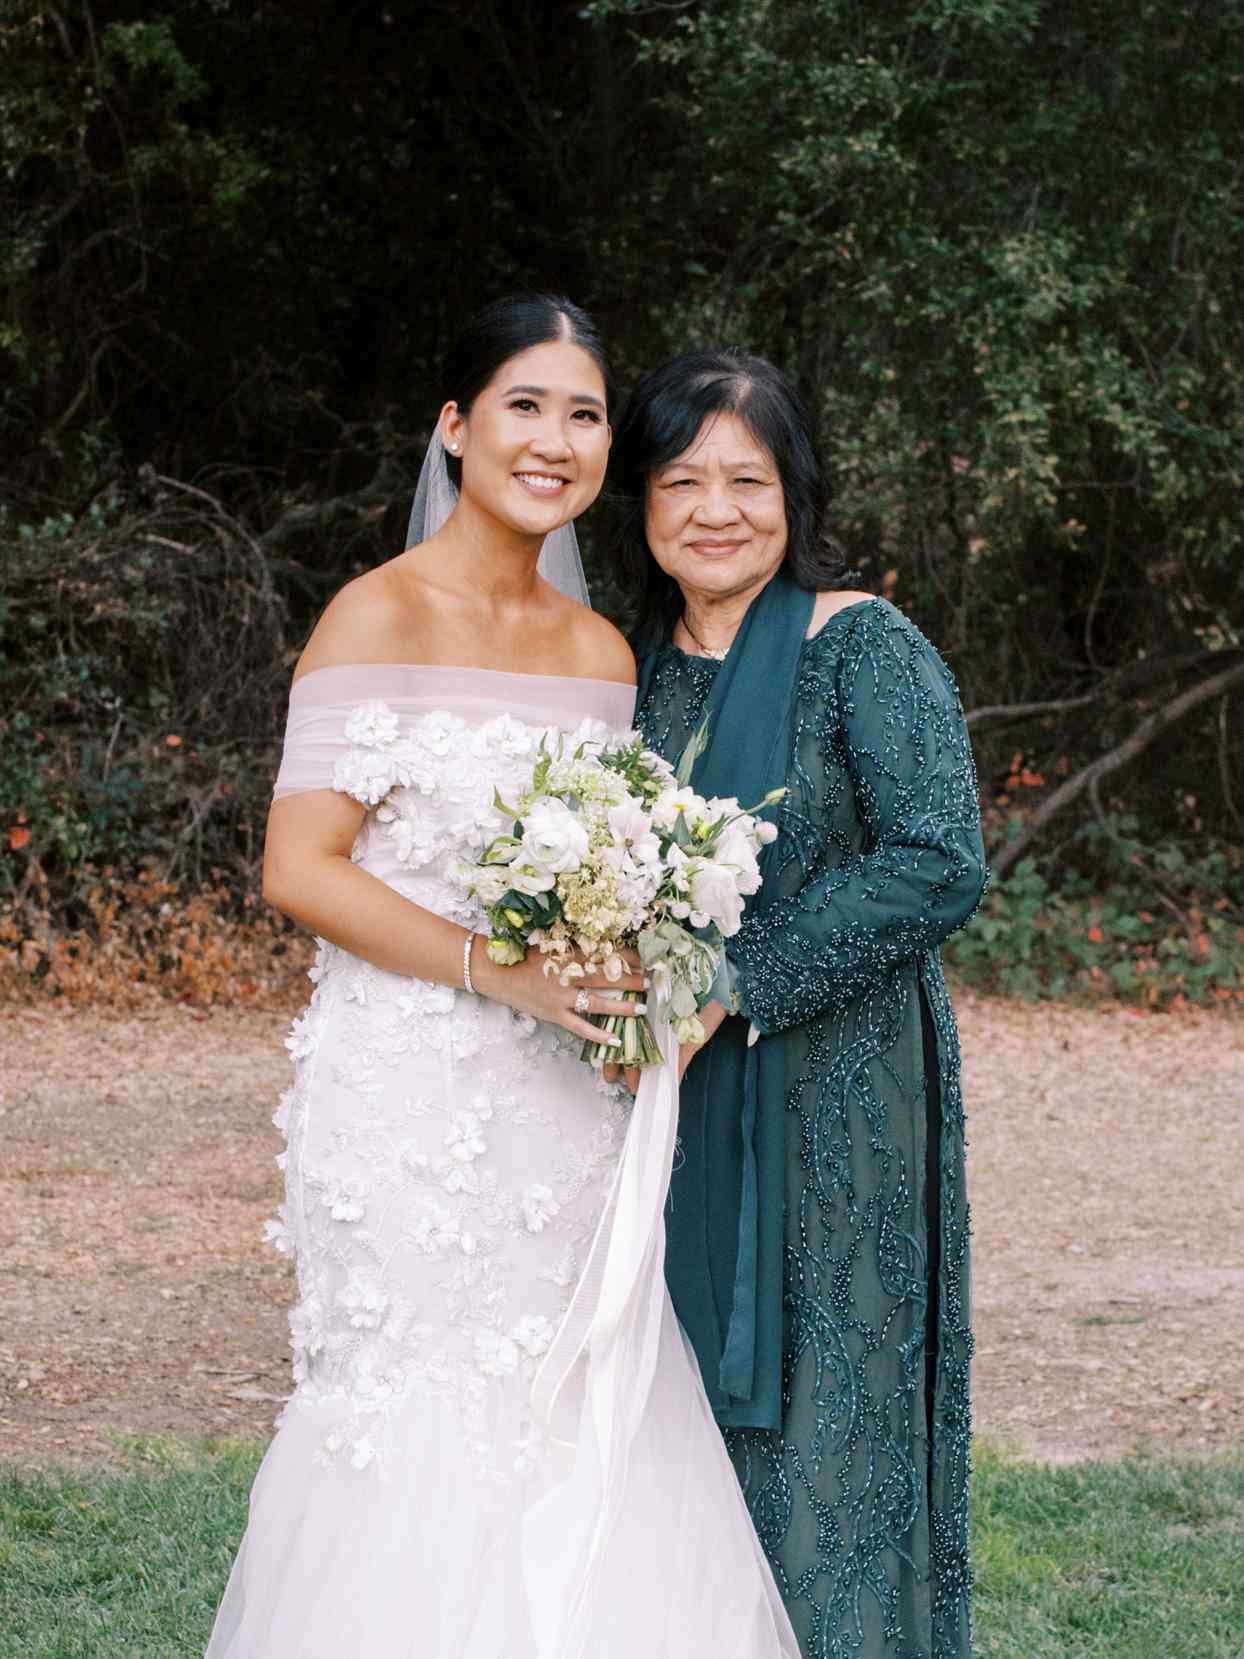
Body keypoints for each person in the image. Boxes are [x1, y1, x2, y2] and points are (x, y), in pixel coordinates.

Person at [206, 301, 798, 1658]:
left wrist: (613, 958)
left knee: (575, 1394)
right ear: (457, 427)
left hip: (561, 1099)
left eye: (584, 414)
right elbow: (302, 867)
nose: (555, 439)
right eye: (525, 406)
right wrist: (498, 969)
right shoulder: (374, 615)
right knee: (421, 1403)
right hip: (410, 1088)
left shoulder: (598, 657)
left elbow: (591, 867)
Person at [612, 350, 988, 1659]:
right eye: (683, 480)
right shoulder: (626, 679)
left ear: (793, 491)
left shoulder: (860, 646)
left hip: (846, 1106)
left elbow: (940, 858)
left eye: (747, 479)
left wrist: (743, 980)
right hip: (665, 1106)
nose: (717, 509)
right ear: (642, 504)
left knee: (840, 1416)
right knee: (676, 1428)